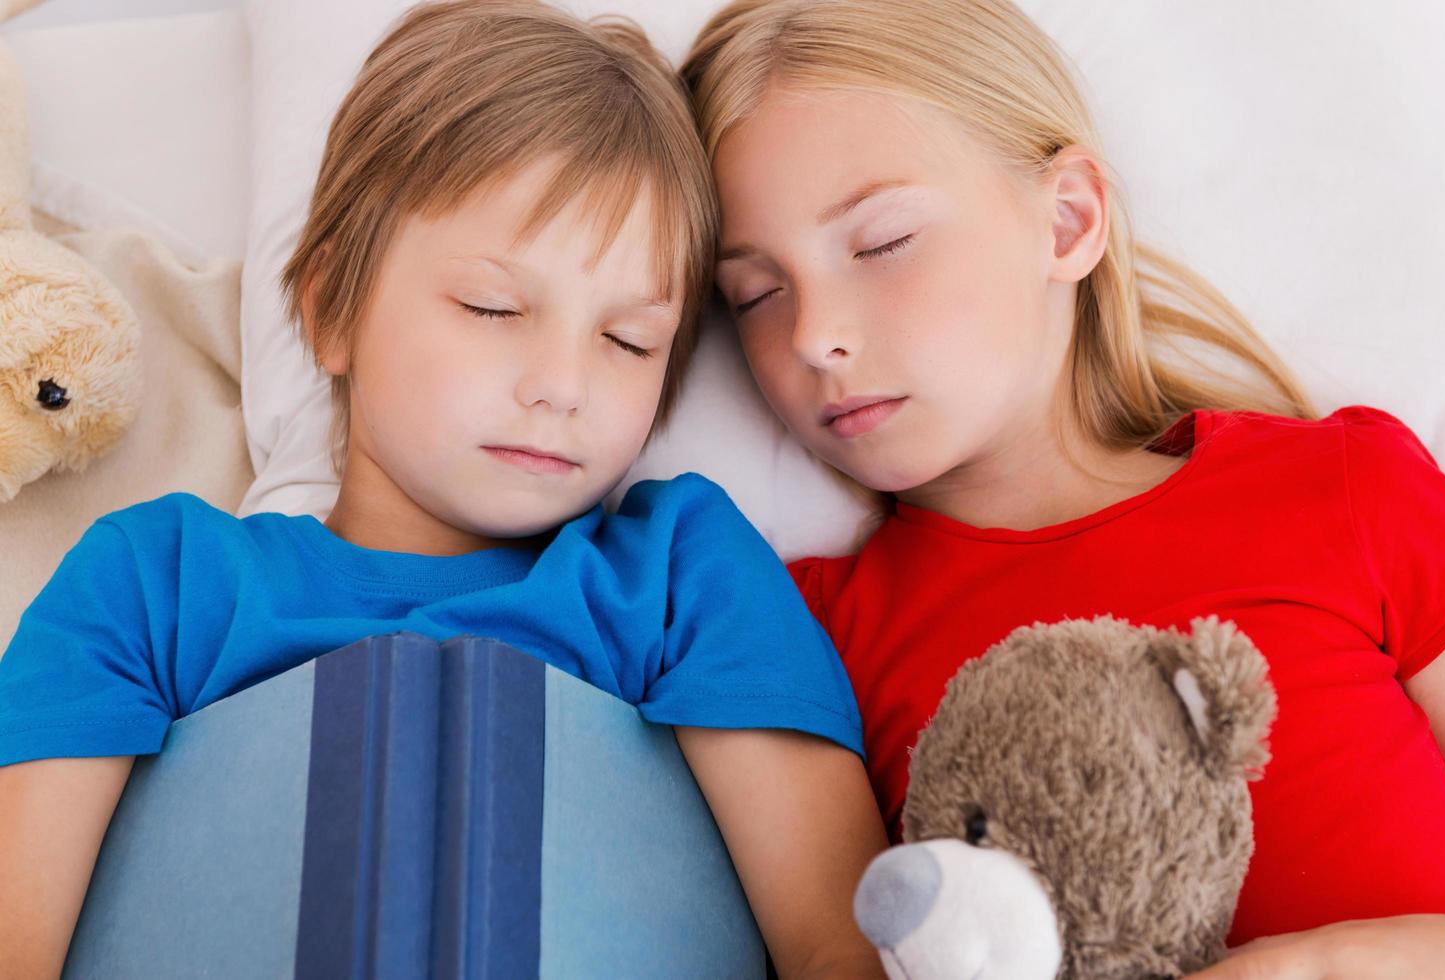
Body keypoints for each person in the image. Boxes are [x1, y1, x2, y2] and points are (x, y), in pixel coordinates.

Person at [0, 4, 887, 978]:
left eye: (627, 339)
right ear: (331, 308)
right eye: (493, 306)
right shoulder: (156, 582)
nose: (562, 383)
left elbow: (834, 942)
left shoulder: (681, 575)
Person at [682, 0, 1445, 975]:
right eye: (754, 294)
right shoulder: (804, 632)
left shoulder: (1343, 491)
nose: (810, 336)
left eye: (879, 241)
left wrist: (1321, 966)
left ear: (1065, 221)